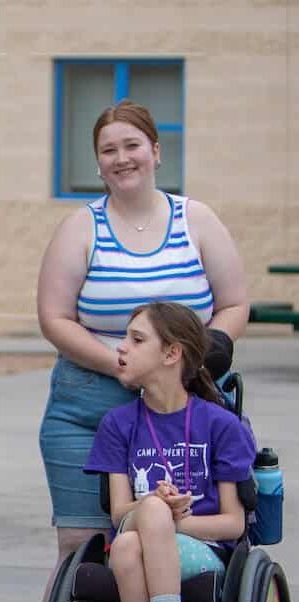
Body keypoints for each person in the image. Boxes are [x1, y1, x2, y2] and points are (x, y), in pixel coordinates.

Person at [37, 100, 248, 574]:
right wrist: (123, 363)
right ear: (98, 162)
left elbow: (234, 304)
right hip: (89, 405)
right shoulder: (80, 227)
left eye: (132, 144)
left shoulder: (197, 221)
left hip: (185, 404)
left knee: (177, 534)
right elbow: (54, 318)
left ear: (156, 150)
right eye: (108, 149)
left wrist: (198, 357)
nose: (121, 157)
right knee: (80, 548)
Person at [83, 301, 255, 602]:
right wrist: (155, 510)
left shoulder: (220, 425)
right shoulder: (119, 424)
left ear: (172, 353)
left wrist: (176, 519)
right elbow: (120, 512)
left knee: (146, 525)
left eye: (136, 339)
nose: (121, 347)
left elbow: (233, 523)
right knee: (126, 543)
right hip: (138, 542)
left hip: (203, 551)